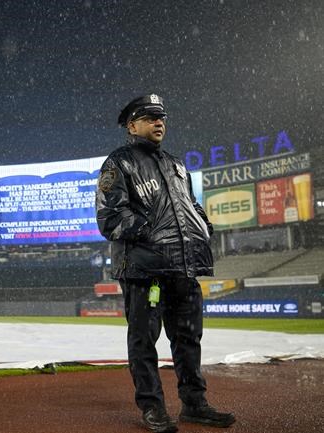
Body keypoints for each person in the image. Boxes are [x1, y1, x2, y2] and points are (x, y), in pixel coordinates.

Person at [95, 94, 235, 433]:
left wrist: (202, 226)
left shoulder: (176, 165)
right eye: (150, 116)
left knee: (188, 339)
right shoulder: (119, 163)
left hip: (183, 267)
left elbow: (191, 206)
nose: (160, 122)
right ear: (131, 126)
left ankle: (194, 404)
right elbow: (109, 217)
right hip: (144, 270)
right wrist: (152, 233)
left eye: (163, 117)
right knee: (144, 340)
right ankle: (153, 407)